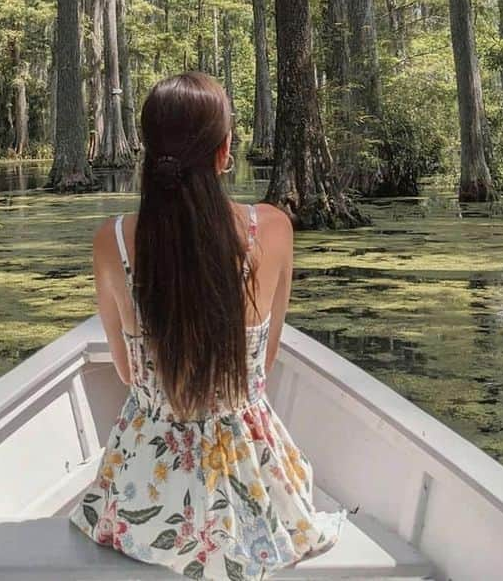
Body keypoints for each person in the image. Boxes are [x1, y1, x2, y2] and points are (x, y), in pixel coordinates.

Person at [70, 71, 342, 579]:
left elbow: (129, 375)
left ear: (149, 152)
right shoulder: (275, 228)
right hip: (249, 482)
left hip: (142, 492)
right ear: (223, 153)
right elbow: (264, 364)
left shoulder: (114, 242)